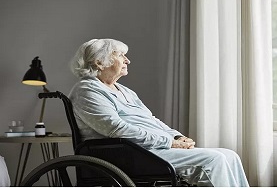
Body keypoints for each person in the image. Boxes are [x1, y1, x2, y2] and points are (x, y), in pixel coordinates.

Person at [68, 38, 249, 187]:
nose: (127, 60)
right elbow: (116, 129)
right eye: (121, 55)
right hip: (127, 154)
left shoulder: (124, 90)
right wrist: (169, 142)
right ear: (99, 62)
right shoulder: (87, 91)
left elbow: (151, 120)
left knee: (229, 155)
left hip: (148, 149)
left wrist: (176, 137)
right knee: (214, 160)